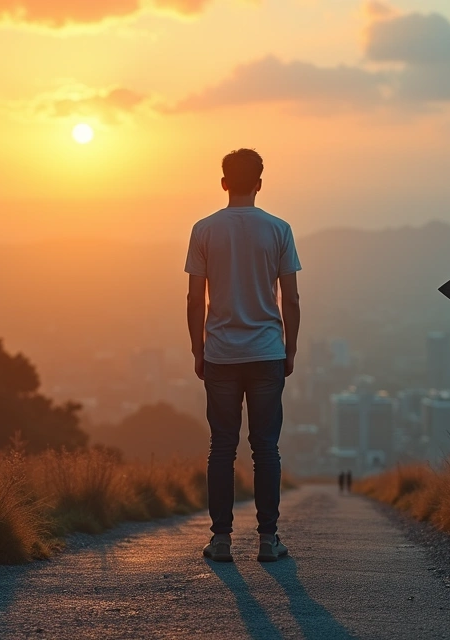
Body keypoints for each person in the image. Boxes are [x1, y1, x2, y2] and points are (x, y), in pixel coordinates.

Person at [186, 148, 301, 563]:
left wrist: (198, 350)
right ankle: (268, 540)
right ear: (259, 183)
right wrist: (289, 350)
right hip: (267, 351)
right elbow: (291, 299)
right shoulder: (278, 229)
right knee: (265, 448)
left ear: (223, 183)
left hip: (220, 353)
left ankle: (220, 540)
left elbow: (194, 299)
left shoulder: (204, 230)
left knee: (222, 446)